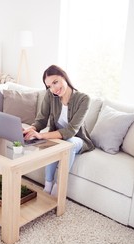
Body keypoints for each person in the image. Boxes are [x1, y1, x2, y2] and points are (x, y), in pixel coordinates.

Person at [23, 65, 94, 195]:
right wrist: (31, 129)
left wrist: (41, 136)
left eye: (55, 82)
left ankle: (58, 187)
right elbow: (41, 120)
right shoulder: (50, 96)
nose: (54, 89)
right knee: (54, 144)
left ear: (64, 76)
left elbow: (70, 131)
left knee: (69, 143)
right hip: (58, 137)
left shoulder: (84, 99)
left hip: (77, 139)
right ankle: (48, 185)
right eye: (49, 86)